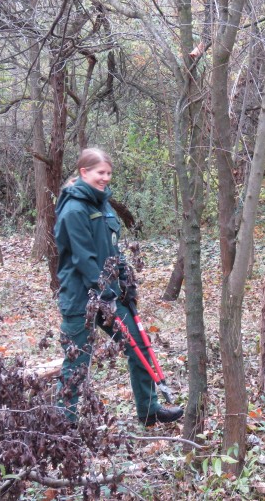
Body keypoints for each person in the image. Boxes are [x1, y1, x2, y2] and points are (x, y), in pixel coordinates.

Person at [54, 147, 183, 426]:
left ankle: (150, 409)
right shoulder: (74, 210)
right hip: (80, 299)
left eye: (109, 173)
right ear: (84, 172)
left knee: (140, 345)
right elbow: (83, 258)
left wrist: (126, 281)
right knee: (76, 363)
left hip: (110, 293)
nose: (105, 178)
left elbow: (112, 250)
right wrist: (105, 294)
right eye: (100, 173)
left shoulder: (103, 204)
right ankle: (63, 426)